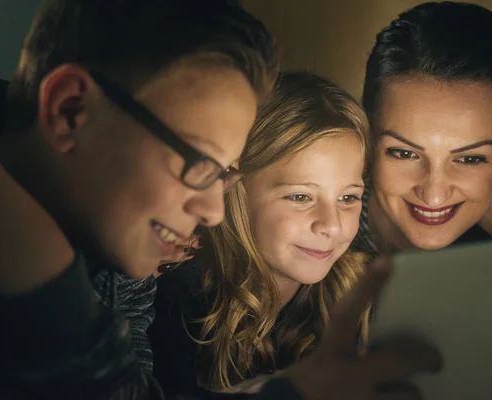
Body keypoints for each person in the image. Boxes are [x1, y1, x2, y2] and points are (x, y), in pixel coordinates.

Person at [0, 0, 440, 399]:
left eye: (224, 175)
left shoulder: (109, 250)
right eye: (199, 164)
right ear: (70, 111)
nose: (213, 211)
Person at [150, 71, 373, 396]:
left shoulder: (360, 290)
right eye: (300, 197)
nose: (332, 225)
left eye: (348, 198)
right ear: (237, 191)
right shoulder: (178, 296)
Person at [356, 1, 492, 256]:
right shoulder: (307, 236)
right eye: (404, 153)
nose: (434, 195)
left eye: (470, 159)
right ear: (367, 137)